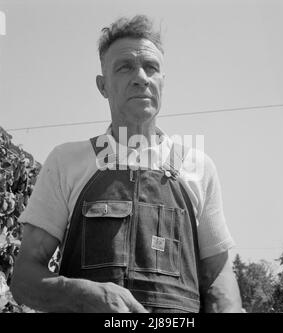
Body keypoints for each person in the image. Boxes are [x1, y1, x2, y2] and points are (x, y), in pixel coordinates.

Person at [10, 15, 242, 313]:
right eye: (125, 67)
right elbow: (25, 277)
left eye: (151, 67)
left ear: (162, 82)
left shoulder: (199, 165)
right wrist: (80, 294)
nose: (141, 77)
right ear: (102, 85)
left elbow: (219, 276)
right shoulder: (66, 161)